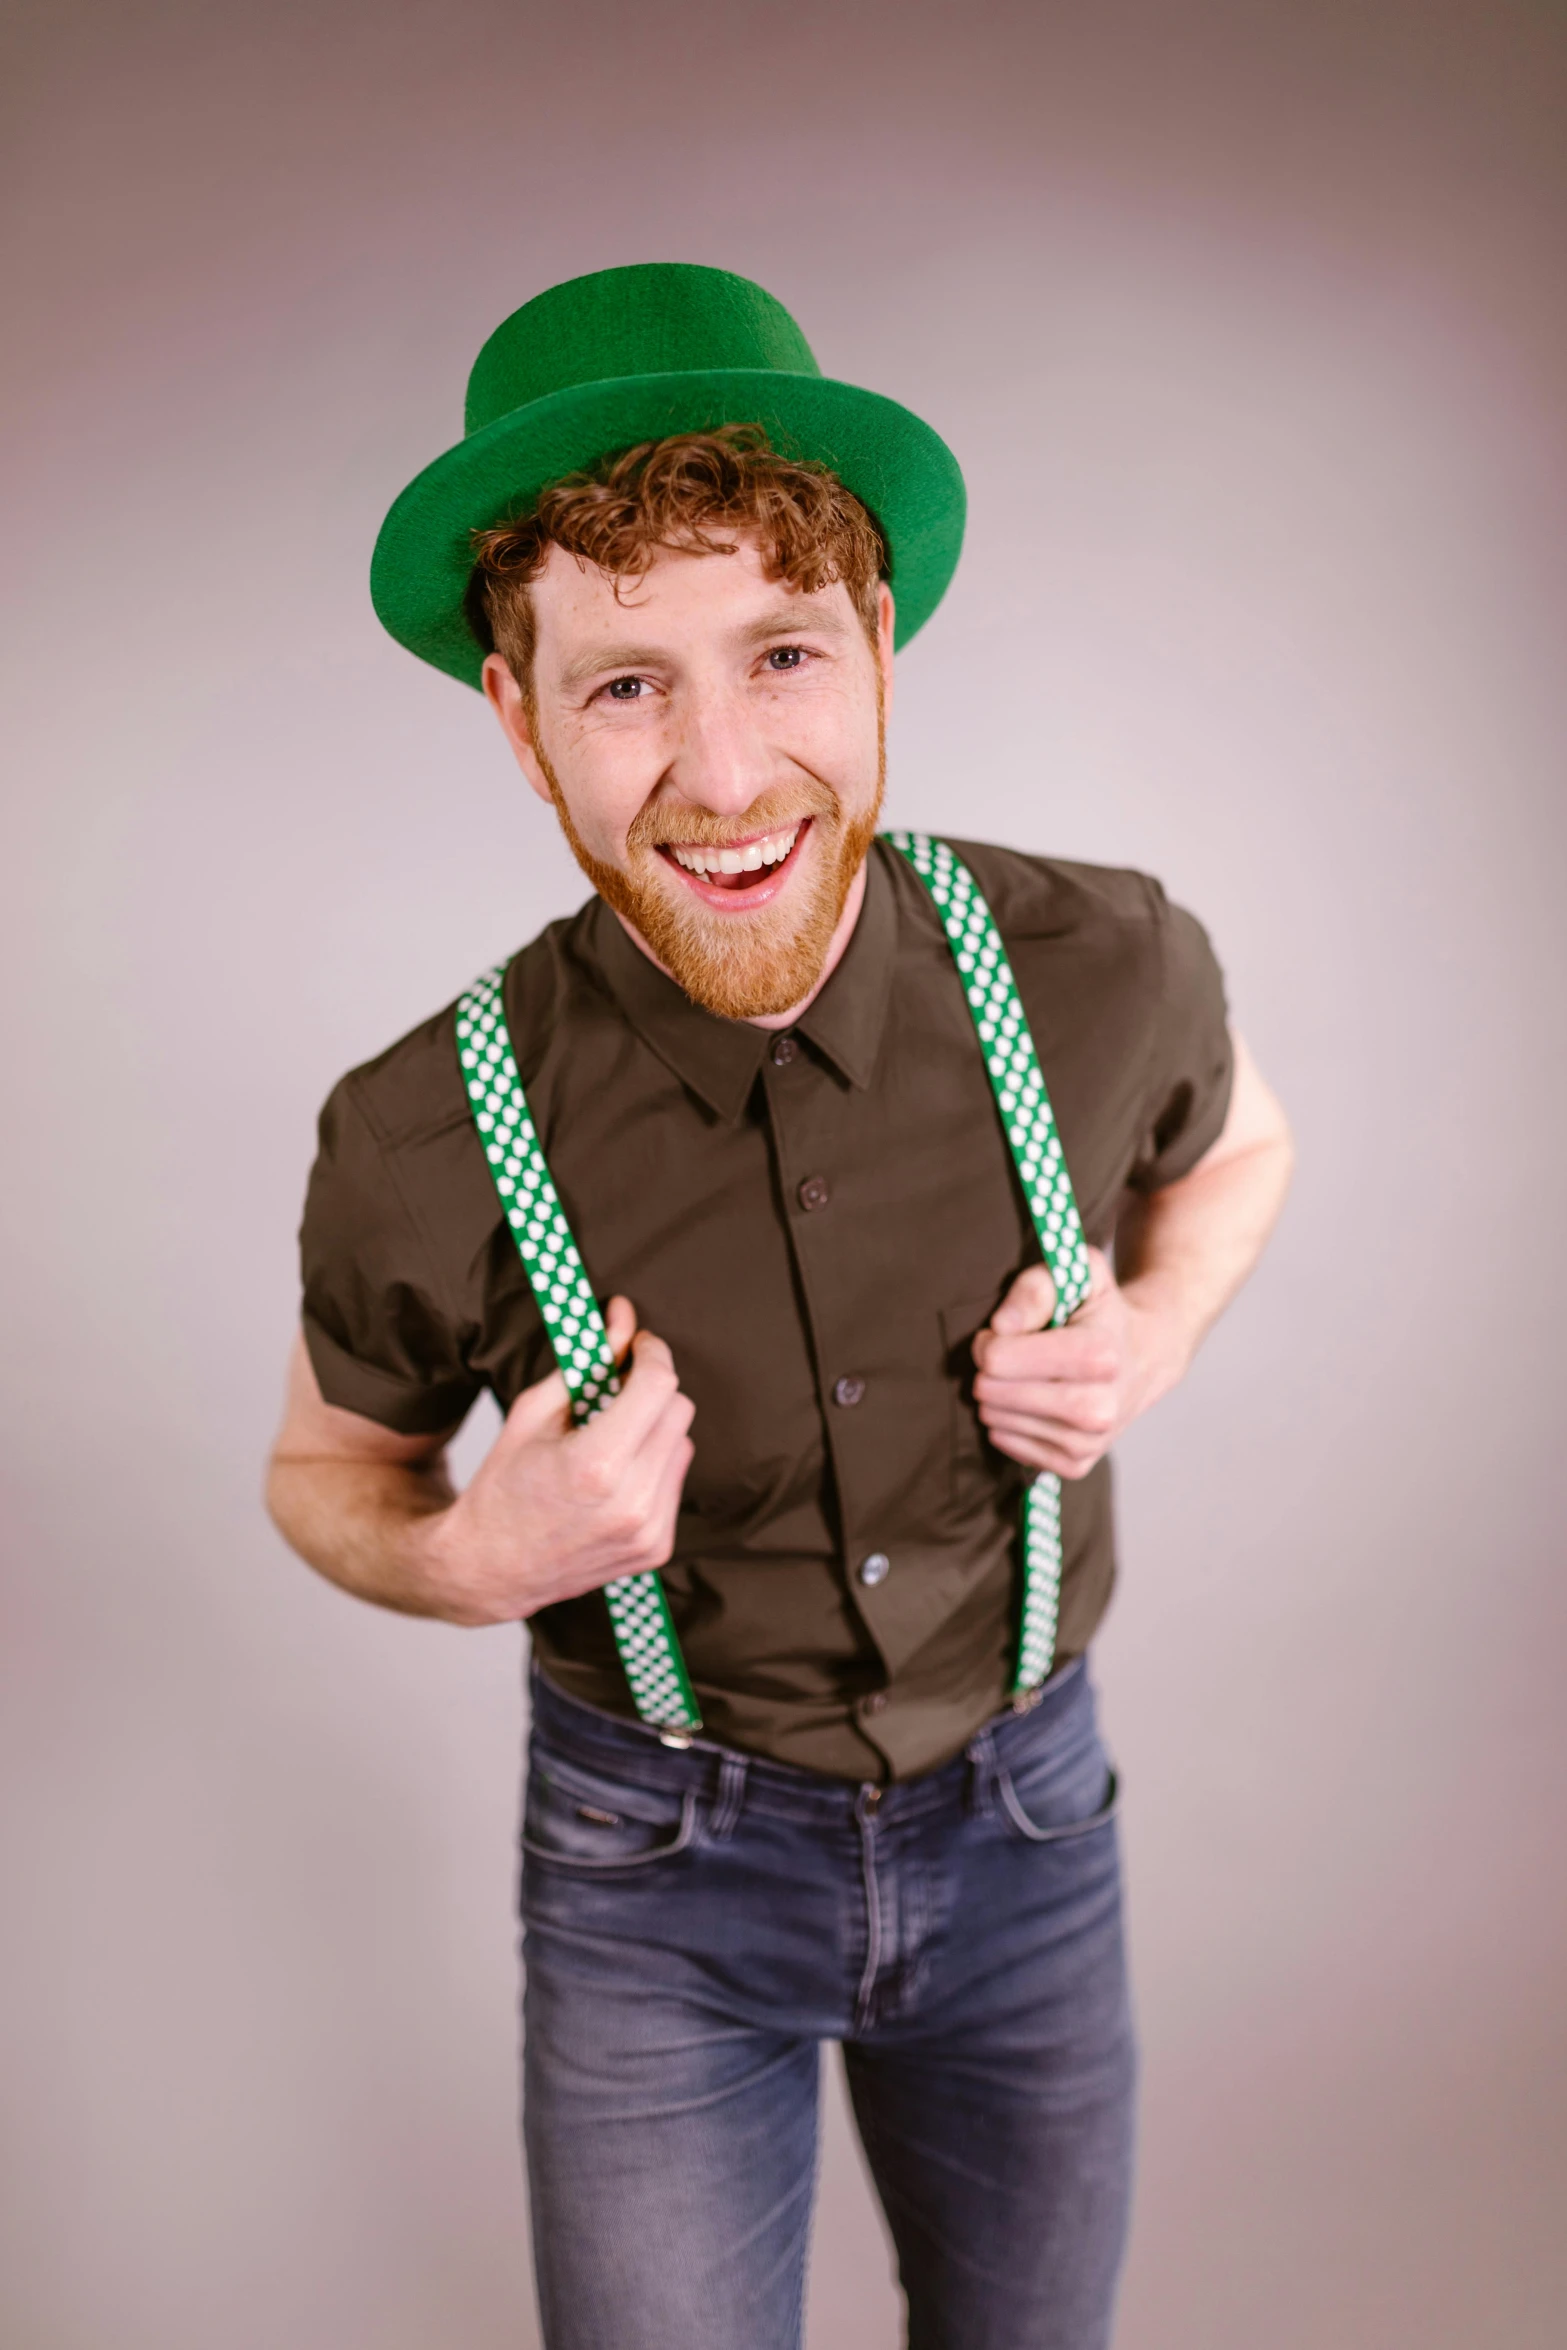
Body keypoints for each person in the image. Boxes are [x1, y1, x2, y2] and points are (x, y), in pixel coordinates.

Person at [267, 262, 1293, 2350]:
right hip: (657, 1870)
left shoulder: (1102, 960)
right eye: (626, 683)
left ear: (881, 648)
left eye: (783, 651)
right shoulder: (416, 1132)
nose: (726, 772)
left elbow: (1246, 1152)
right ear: (515, 711)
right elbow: (321, 1473)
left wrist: (1152, 1333)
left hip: (1027, 1818)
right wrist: (478, 1550)